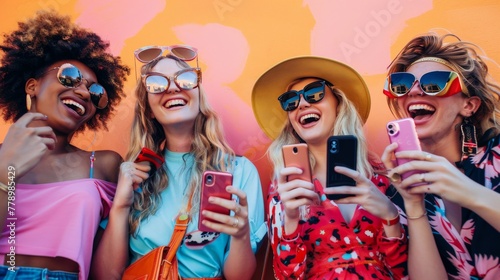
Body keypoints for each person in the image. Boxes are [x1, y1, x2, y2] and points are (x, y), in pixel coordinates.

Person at [92, 45, 266, 279]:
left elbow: (239, 277)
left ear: (198, 95)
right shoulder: (134, 175)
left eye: (184, 80)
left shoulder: (240, 171)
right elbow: (105, 276)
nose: (172, 88)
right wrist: (121, 206)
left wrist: (241, 234)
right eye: (157, 84)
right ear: (149, 110)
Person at [0, 9, 130, 280]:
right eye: (69, 77)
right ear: (33, 86)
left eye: (96, 93)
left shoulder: (104, 164)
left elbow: (107, 259)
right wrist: (6, 172)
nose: (83, 92)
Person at [251, 56, 408, 279]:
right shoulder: (286, 186)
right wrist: (291, 219)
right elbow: (287, 275)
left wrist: (390, 215)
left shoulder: (380, 175)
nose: (303, 104)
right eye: (290, 101)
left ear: (339, 103)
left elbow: (405, 271)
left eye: (314, 93)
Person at [381, 32, 500, 279]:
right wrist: (414, 208)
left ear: (469, 105)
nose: (413, 91)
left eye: (434, 82)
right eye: (402, 84)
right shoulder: (398, 192)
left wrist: (468, 191)